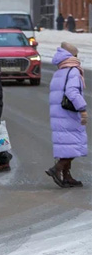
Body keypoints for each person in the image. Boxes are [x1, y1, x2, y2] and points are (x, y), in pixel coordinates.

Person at [46, 42, 87, 188]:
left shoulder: (60, 71)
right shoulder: (74, 71)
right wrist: (82, 109)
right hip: (69, 113)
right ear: (73, 56)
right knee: (75, 144)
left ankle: (67, 175)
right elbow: (72, 92)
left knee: (67, 144)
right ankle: (57, 169)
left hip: (59, 113)